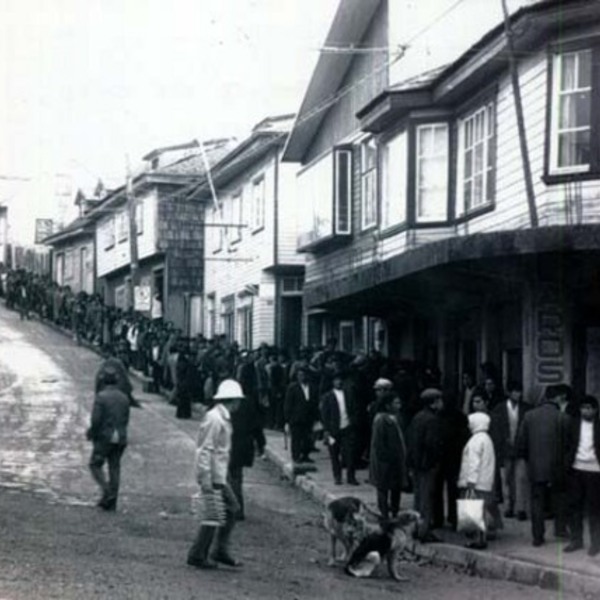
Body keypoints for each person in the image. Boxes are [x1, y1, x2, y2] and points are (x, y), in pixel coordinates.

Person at [187, 379, 244, 569]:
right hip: (213, 474)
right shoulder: (215, 418)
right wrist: (205, 477)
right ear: (234, 400)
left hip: (218, 473)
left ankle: (207, 551)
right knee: (225, 510)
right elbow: (204, 449)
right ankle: (207, 551)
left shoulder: (221, 417)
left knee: (221, 511)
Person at [517, 384, 572, 547]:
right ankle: (560, 529)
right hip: (557, 467)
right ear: (557, 398)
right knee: (560, 498)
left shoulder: (529, 416)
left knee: (537, 501)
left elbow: (521, 444)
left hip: (535, 466)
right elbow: (569, 445)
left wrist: (529, 460)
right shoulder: (563, 417)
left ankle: (537, 536)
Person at [87, 366, 130, 511]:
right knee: (115, 466)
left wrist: (92, 432)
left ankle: (107, 491)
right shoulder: (124, 397)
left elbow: (96, 420)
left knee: (95, 464)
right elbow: (126, 418)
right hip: (121, 436)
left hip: (105, 436)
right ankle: (113, 500)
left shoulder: (101, 397)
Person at [564, 395, 600, 556]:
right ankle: (576, 540)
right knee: (574, 507)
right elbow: (565, 445)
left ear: (595, 410)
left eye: (589, 408)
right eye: (584, 407)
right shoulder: (573, 424)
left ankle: (595, 543)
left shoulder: (599, 425)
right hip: (576, 469)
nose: (586, 411)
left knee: (594, 509)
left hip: (595, 471)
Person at [407, 388, 444, 542]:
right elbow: (432, 444)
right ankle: (424, 530)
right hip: (427, 465)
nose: (441, 403)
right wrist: (435, 461)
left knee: (418, 498)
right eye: (439, 400)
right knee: (427, 499)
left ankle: (416, 528)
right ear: (433, 403)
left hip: (416, 465)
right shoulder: (432, 420)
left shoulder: (417, 417)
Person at [490, 381, 530, 520]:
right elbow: (495, 431)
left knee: (521, 479)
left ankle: (521, 509)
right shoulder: (499, 409)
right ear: (509, 393)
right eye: (515, 391)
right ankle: (509, 506)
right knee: (506, 479)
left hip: (521, 449)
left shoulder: (526, 408)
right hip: (505, 449)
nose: (517, 394)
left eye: (519, 392)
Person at [457, 412, 497, 549]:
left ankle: (477, 540)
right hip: (485, 481)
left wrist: (471, 481)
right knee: (482, 511)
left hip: (477, 482)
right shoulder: (486, 439)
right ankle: (483, 537)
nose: (468, 425)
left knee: (474, 513)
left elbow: (474, 463)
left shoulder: (475, 440)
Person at [369, 390, 408, 520]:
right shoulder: (381, 420)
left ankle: (395, 512)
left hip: (396, 460)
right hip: (384, 462)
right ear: (387, 405)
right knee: (383, 488)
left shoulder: (397, 418)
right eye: (396, 403)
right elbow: (378, 444)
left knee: (396, 488)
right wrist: (387, 459)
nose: (399, 406)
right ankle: (384, 515)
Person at [320, 371, 359, 485]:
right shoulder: (328, 396)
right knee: (334, 454)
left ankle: (351, 477)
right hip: (333, 430)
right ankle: (337, 476)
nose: (339, 382)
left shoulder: (349, 394)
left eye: (340, 380)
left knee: (350, 453)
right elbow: (324, 415)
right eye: (336, 380)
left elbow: (354, 409)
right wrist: (326, 430)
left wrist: (353, 422)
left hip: (347, 427)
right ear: (333, 382)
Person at [284, 366, 318, 464]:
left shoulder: (312, 387)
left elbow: (314, 402)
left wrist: (316, 417)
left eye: (304, 375)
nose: (302, 377)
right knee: (296, 438)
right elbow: (288, 404)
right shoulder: (292, 387)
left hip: (308, 417)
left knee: (307, 438)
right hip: (296, 417)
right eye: (300, 375)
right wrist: (287, 419)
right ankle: (296, 456)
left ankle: (305, 455)